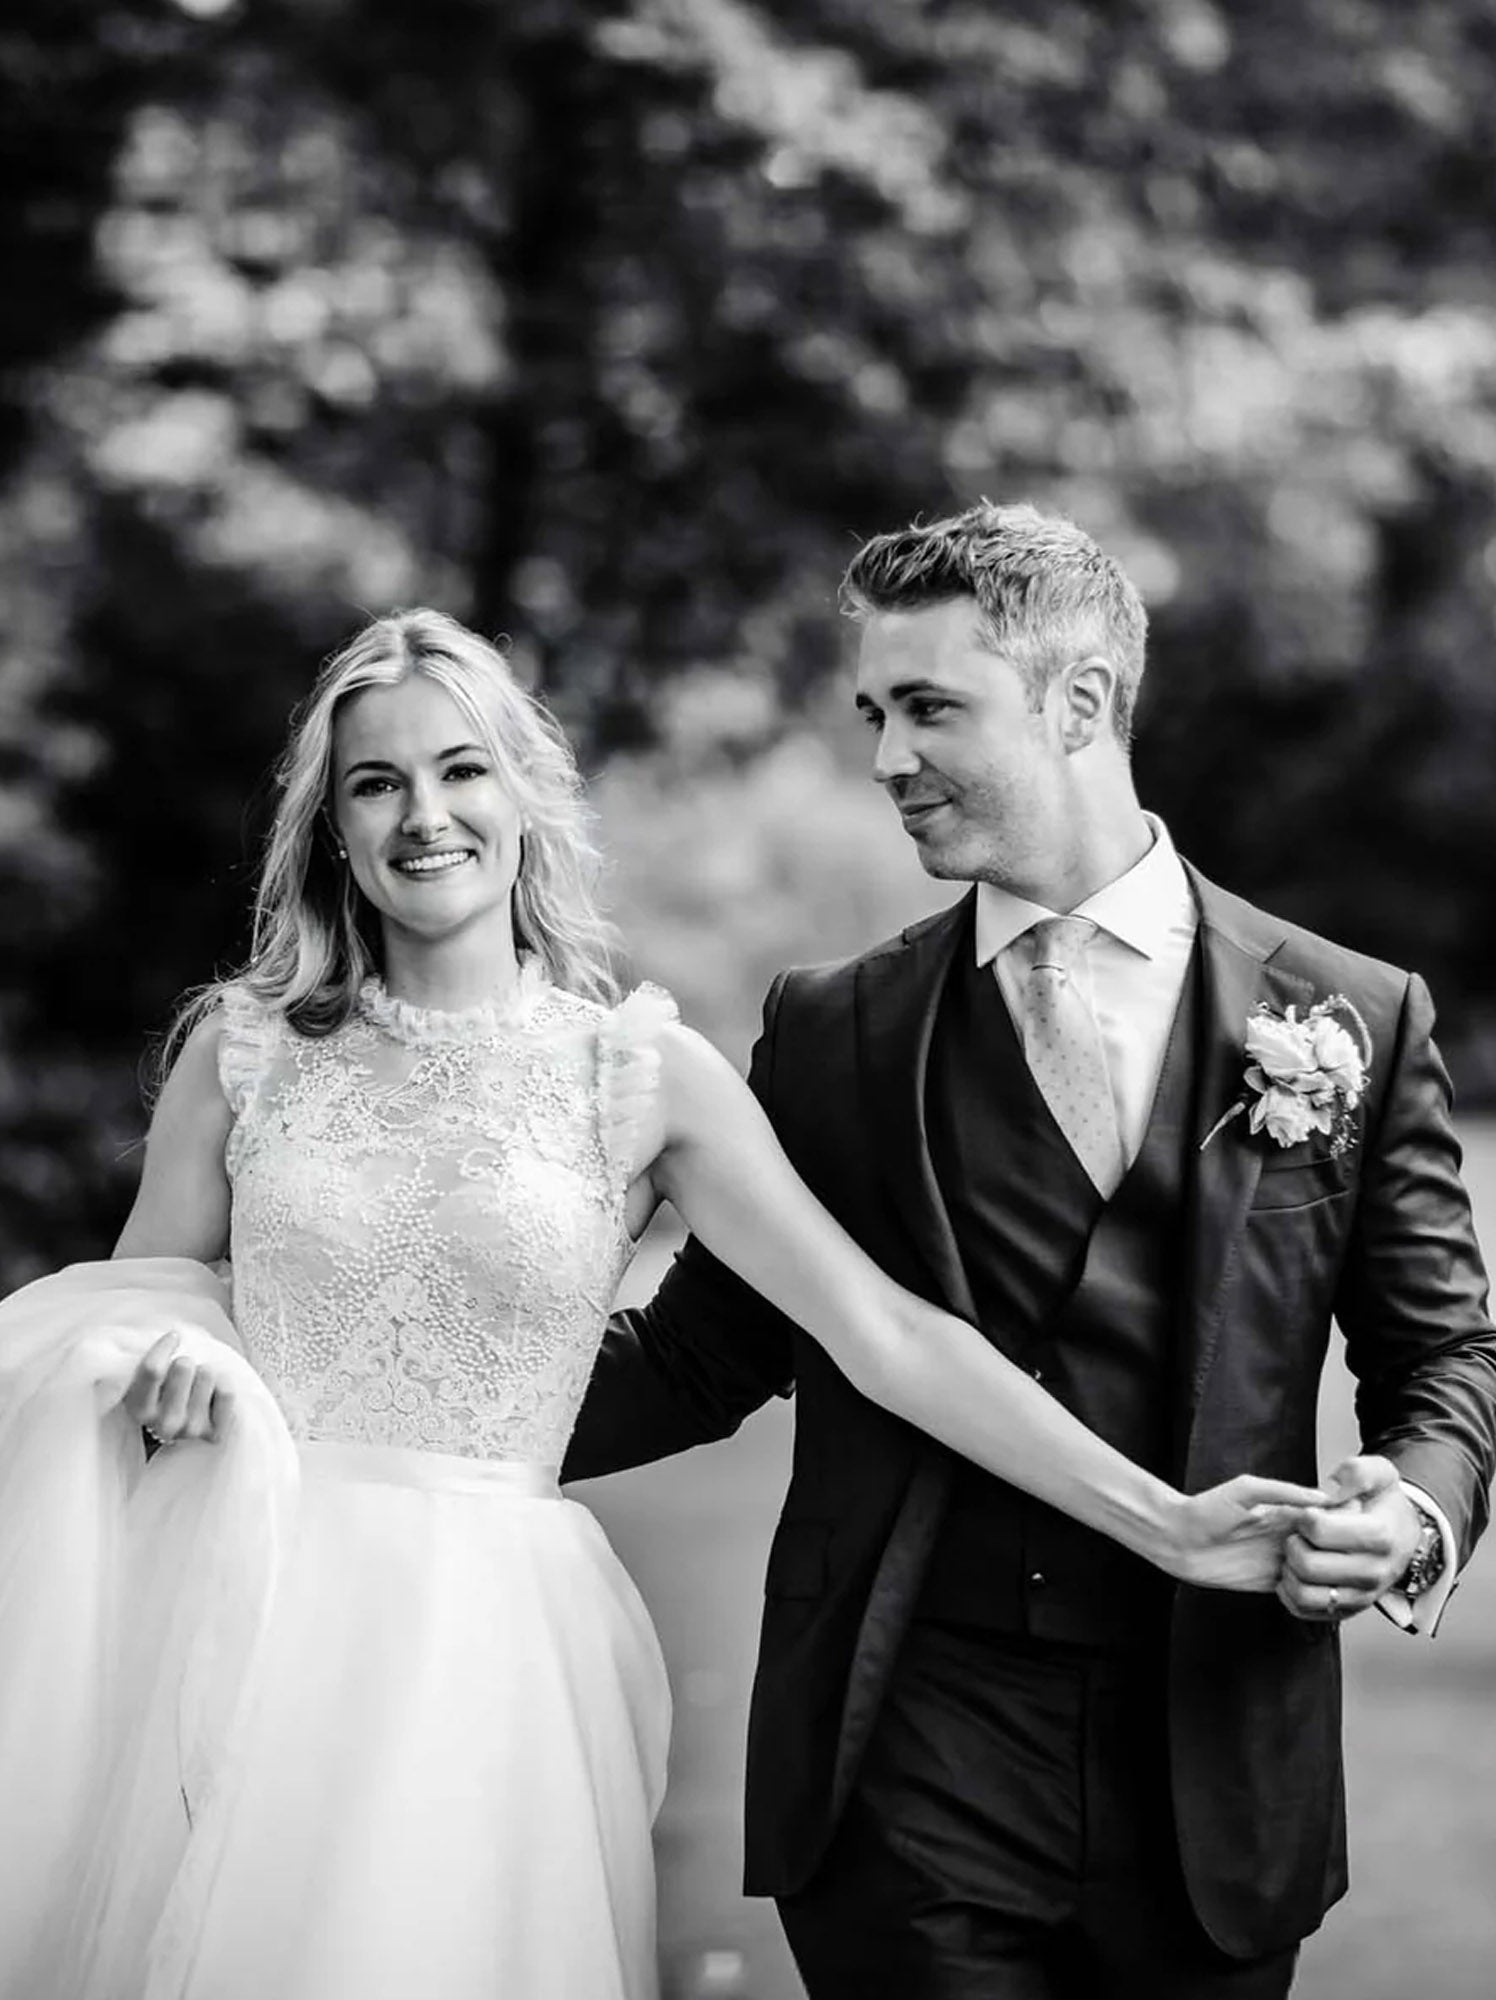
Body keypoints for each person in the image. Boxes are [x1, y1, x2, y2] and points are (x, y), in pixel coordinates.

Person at [0, 608, 1321, 2000]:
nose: (423, 816)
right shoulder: (244, 1051)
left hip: (486, 1645)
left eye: (461, 770)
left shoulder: (637, 1074)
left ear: (524, 797)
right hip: (242, 1611)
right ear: (330, 825)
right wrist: (169, 1370)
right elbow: (138, 1310)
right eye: (376, 784)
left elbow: (884, 1335)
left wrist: (1164, 1518)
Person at [565, 503, 1496, 1999]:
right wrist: (370, 1397)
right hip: (907, 1748)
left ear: (1080, 703)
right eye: (874, 714)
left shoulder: (1353, 1016)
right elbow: (697, 1356)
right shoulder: (833, 1031)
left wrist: (1415, 1513)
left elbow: (1443, 1352)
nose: (887, 757)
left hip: (1213, 1751)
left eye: (931, 707)